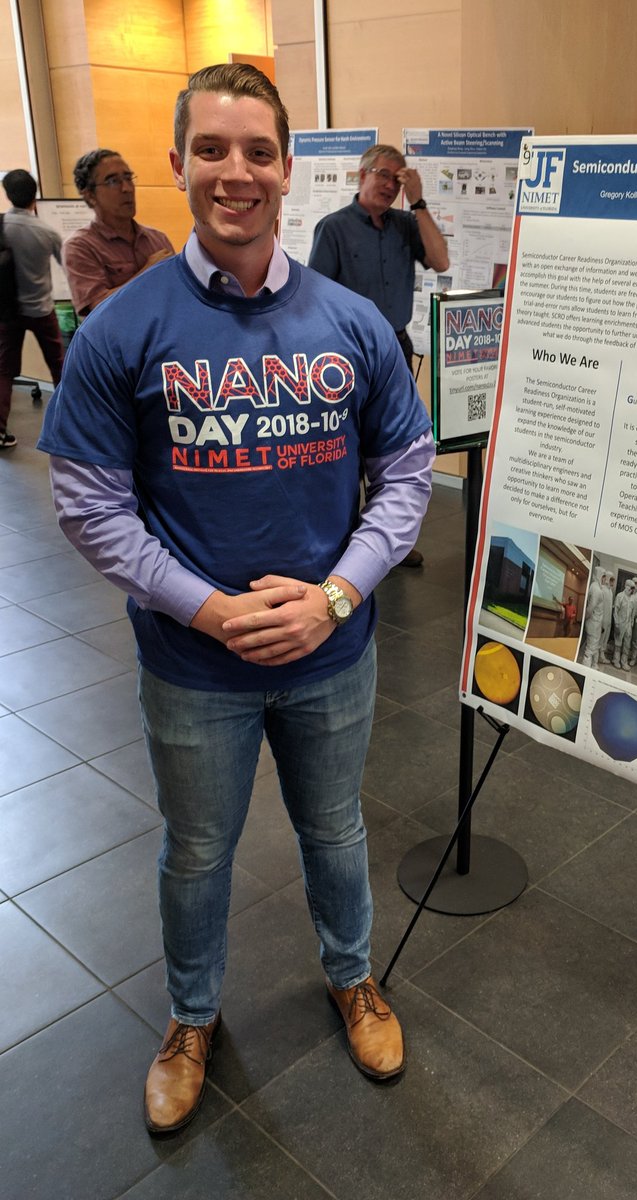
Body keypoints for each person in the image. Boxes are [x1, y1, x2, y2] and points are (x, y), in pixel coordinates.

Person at [39, 63, 433, 1136]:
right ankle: (191, 1017)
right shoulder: (124, 328)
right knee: (197, 851)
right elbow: (87, 502)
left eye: (257, 151)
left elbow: (406, 472)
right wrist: (205, 608)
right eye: (211, 149)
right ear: (176, 164)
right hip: (192, 666)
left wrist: (339, 598)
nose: (235, 172)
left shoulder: (349, 323)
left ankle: (352, 979)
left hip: (331, 658)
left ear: (286, 169)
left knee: (335, 832)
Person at [308, 144, 449, 567]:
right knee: (347, 446)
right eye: (384, 175)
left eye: (398, 179)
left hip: (395, 344)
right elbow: (316, 295)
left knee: (391, 446)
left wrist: (419, 199)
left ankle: (385, 539)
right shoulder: (333, 227)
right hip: (346, 352)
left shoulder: (407, 224)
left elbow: (441, 260)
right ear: (362, 174)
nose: (390, 185)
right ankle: (344, 540)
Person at [63, 148, 174, 318]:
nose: (127, 188)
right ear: (90, 195)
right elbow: (98, 310)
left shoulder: (157, 239)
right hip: (120, 343)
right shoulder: (79, 247)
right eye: (113, 181)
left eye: (128, 178)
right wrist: (148, 272)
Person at [0, 170, 64, 449]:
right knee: (60, 368)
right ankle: (69, 425)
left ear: (7, 194)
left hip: (7, 312)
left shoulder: (1, 225)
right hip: (41, 309)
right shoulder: (47, 231)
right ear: (34, 193)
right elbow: (68, 267)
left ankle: (0, 431)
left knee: (3, 371)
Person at [580, 571, 605, 666]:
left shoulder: (597, 587)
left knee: (593, 647)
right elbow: (590, 608)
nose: (604, 580)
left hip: (596, 623)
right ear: (599, 576)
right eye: (603, 577)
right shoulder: (596, 589)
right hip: (593, 623)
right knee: (590, 649)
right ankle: (586, 670)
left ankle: (593, 666)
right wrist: (585, 619)